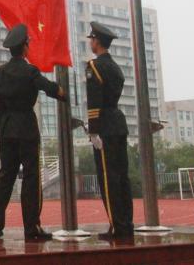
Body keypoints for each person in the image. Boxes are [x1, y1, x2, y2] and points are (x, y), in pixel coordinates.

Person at [0, 25, 67, 241]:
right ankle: (32, 228)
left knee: (5, 178)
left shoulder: (0, 72)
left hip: (6, 129)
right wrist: (62, 92)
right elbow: (50, 88)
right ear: (25, 47)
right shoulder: (30, 71)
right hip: (27, 129)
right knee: (31, 178)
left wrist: (3, 126)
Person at [86, 21, 134, 241]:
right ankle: (126, 223)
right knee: (122, 177)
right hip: (118, 122)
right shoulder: (115, 66)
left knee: (108, 178)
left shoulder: (94, 66)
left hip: (104, 125)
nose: (91, 43)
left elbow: (94, 100)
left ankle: (117, 225)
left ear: (96, 41)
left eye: (91, 39)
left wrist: (93, 130)